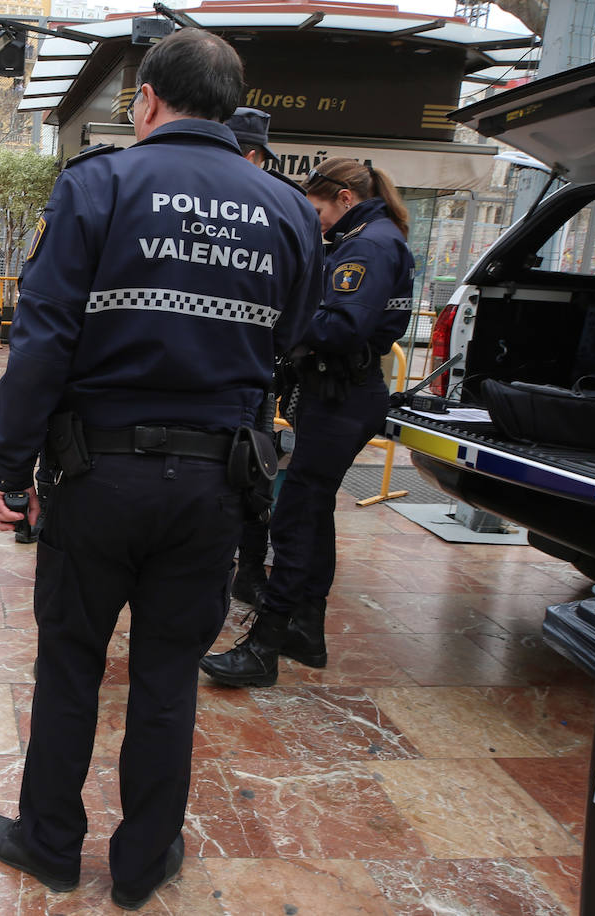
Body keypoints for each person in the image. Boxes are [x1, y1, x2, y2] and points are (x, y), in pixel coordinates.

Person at [0, 29, 321, 910]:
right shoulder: (286, 209)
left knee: (71, 668)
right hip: (215, 487)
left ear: (146, 102)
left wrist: (10, 470)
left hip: (98, 480)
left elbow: (43, 344)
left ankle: (51, 844)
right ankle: (144, 860)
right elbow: (288, 341)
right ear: (231, 106)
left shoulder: (99, 186)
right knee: (168, 680)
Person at [200, 156, 416, 688]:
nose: (313, 218)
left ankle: (265, 645)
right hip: (337, 393)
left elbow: (340, 324)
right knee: (313, 514)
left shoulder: (367, 243)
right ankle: (307, 630)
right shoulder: (370, 235)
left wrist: (279, 313)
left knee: (296, 512)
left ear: (344, 197)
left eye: (316, 207)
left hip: (342, 394)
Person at [223, 106, 286, 604]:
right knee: (252, 475)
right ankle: (241, 572)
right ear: (253, 154)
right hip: (252, 376)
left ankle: (238, 571)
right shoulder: (282, 207)